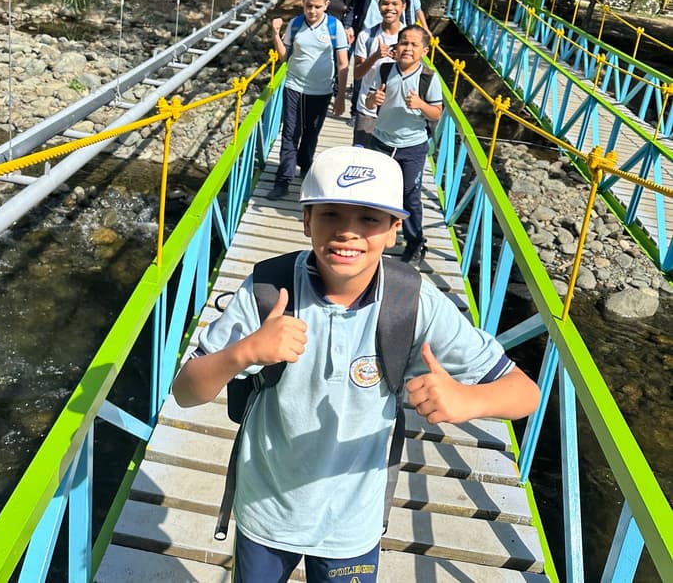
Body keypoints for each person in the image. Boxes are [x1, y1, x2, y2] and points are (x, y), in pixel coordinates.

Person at [172, 145, 541, 583]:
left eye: (369, 219)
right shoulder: (267, 292)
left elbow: (525, 394)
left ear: (393, 231)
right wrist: (244, 353)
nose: (348, 233)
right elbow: (185, 391)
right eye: (331, 215)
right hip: (266, 511)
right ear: (306, 219)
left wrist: (465, 401)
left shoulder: (414, 303)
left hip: (351, 525)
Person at [365, 24, 442, 264]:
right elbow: (368, 103)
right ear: (396, 46)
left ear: (425, 51)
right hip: (381, 140)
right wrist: (372, 99)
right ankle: (375, 235)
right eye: (403, 43)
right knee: (377, 190)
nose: (407, 48)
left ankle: (415, 241)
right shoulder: (385, 70)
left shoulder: (429, 78)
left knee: (410, 194)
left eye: (414, 44)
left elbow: (436, 113)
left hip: (412, 146)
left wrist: (421, 104)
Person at [267, 0, 348, 200]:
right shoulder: (295, 24)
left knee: (311, 133)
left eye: (317, 7)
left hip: (321, 91)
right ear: (303, 4)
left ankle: (305, 164)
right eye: (308, 6)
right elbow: (285, 56)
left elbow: (342, 63)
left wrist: (340, 97)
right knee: (290, 134)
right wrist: (276, 34)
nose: (312, 11)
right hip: (294, 87)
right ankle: (282, 181)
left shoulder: (334, 27)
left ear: (326, 4)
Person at [352, 0, 407, 147]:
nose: (389, 8)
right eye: (385, 3)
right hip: (367, 109)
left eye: (395, 4)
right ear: (378, 6)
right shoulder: (366, 36)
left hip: (395, 112)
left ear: (403, 7)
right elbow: (357, 74)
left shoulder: (410, 38)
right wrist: (375, 56)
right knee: (360, 158)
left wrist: (400, 59)